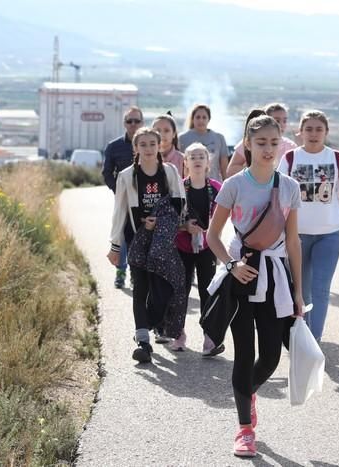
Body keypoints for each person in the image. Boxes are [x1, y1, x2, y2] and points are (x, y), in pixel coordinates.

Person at [206, 111, 304, 457]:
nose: (268, 149)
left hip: (276, 277)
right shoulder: (234, 185)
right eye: (261, 143)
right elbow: (212, 235)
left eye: (274, 143)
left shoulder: (289, 187)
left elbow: (293, 243)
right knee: (245, 354)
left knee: (272, 356)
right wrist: (231, 266)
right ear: (247, 144)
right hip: (242, 276)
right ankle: (245, 428)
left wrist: (298, 293)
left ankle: (248, 393)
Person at [277, 110, 339, 342]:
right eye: (309, 129)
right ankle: (300, 337)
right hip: (297, 237)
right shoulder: (290, 159)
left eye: (319, 129)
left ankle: (313, 341)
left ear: (326, 132)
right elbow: (278, 198)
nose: (314, 134)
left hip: (328, 236)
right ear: (300, 132)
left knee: (321, 290)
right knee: (301, 291)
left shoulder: (337, 159)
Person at [107, 127, 186, 363]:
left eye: (153, 144)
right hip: (136, 238)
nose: (148, 149)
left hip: (163, 239)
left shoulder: (169, 172)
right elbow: (119, 211)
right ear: (136, 148)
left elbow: (179, 203)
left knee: (162, 290)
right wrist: (114, 245)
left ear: (159, 146)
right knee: (140, 287)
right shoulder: (126, 176)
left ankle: (152, 322)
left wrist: (161, 222)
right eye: (143, 144)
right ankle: (143, 340)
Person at [174, 142, 224, 355]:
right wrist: (185, 227)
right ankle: (178, 334)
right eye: (192, 157)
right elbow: (168, 219)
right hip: (182, 246)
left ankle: (209, 338)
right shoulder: (177, 188)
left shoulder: (217, 188)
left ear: (208, 163)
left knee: (208, 291)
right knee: (180, 291)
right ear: (185, 162)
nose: (196, 160)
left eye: (201, 157)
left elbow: (226, 217)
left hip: (208, 247)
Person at [102, 106, 144, 288]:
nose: (133, 124)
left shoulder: (149, 143)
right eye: (129, 121)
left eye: (137, 121)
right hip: (124, 200)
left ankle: (136, 273)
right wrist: (118, 191)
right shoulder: (114, 147)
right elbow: (107, 172)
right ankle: (121, 270)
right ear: (124, 123)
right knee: (123, 234)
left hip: (146, 199)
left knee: (140, 236)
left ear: (142, 122)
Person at [226, 102, 298, 178]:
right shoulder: (250, 142)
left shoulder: (291, 146)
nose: (282, 125)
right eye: (277, 120)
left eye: (284, 121)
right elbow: (231, 170)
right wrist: (257, 171)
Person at [178, 104, 230, 182]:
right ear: (192, 119)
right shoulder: (182, 138)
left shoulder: (219, 138)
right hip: (190, 185)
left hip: (214, 184)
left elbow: (224, 167)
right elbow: (180, 165)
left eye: (204, 117)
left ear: (209, 119)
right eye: (198, 117)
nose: (201, 120)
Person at [152, 113, 185, 177]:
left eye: (166, 130)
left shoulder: (183, 160)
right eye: (158, 131)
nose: (161, 134)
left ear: (174, 134)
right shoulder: (146, 158)